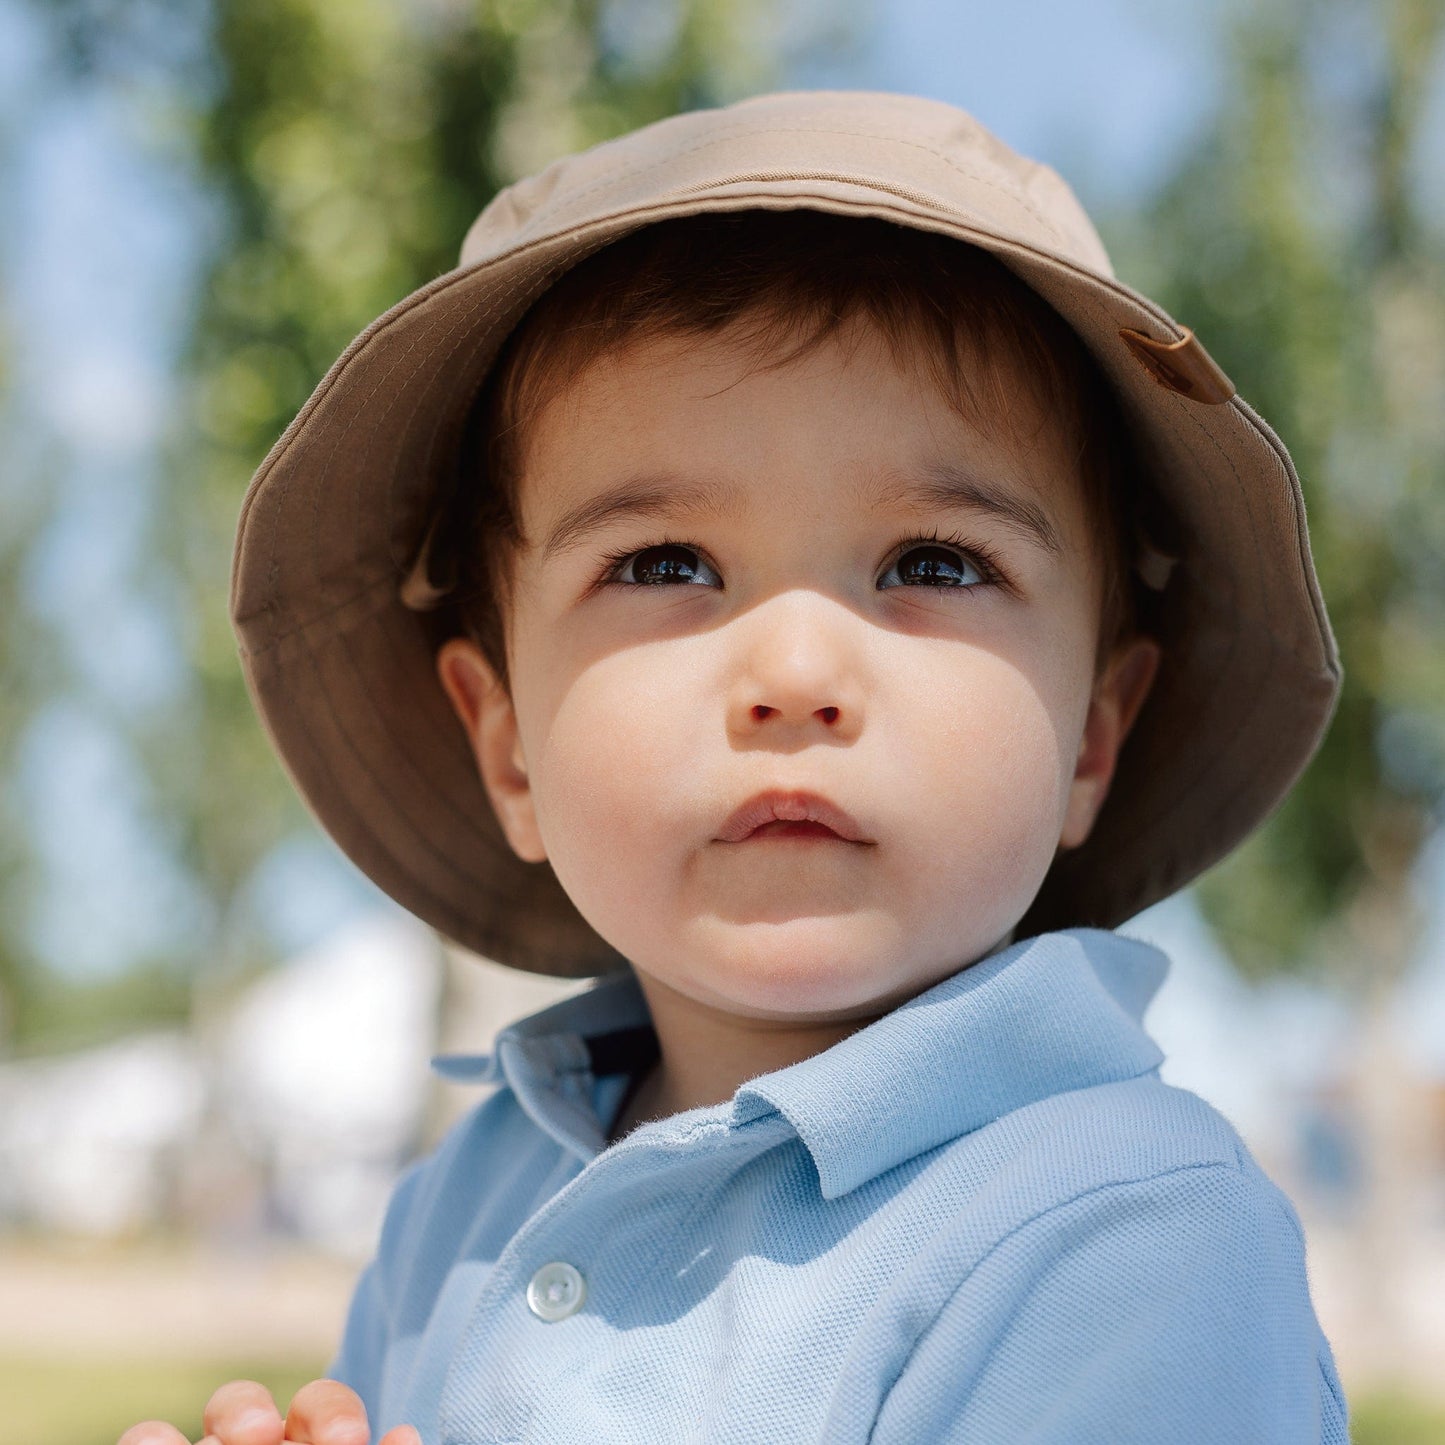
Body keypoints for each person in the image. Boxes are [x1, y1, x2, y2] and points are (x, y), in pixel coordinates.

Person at [120, 90, 1348, 1445]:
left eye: (933, 563)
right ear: (506, 742)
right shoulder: (467, 1198)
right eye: (663, 564)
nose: (795, 670)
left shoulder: (1126, 1235)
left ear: (1089, 738)